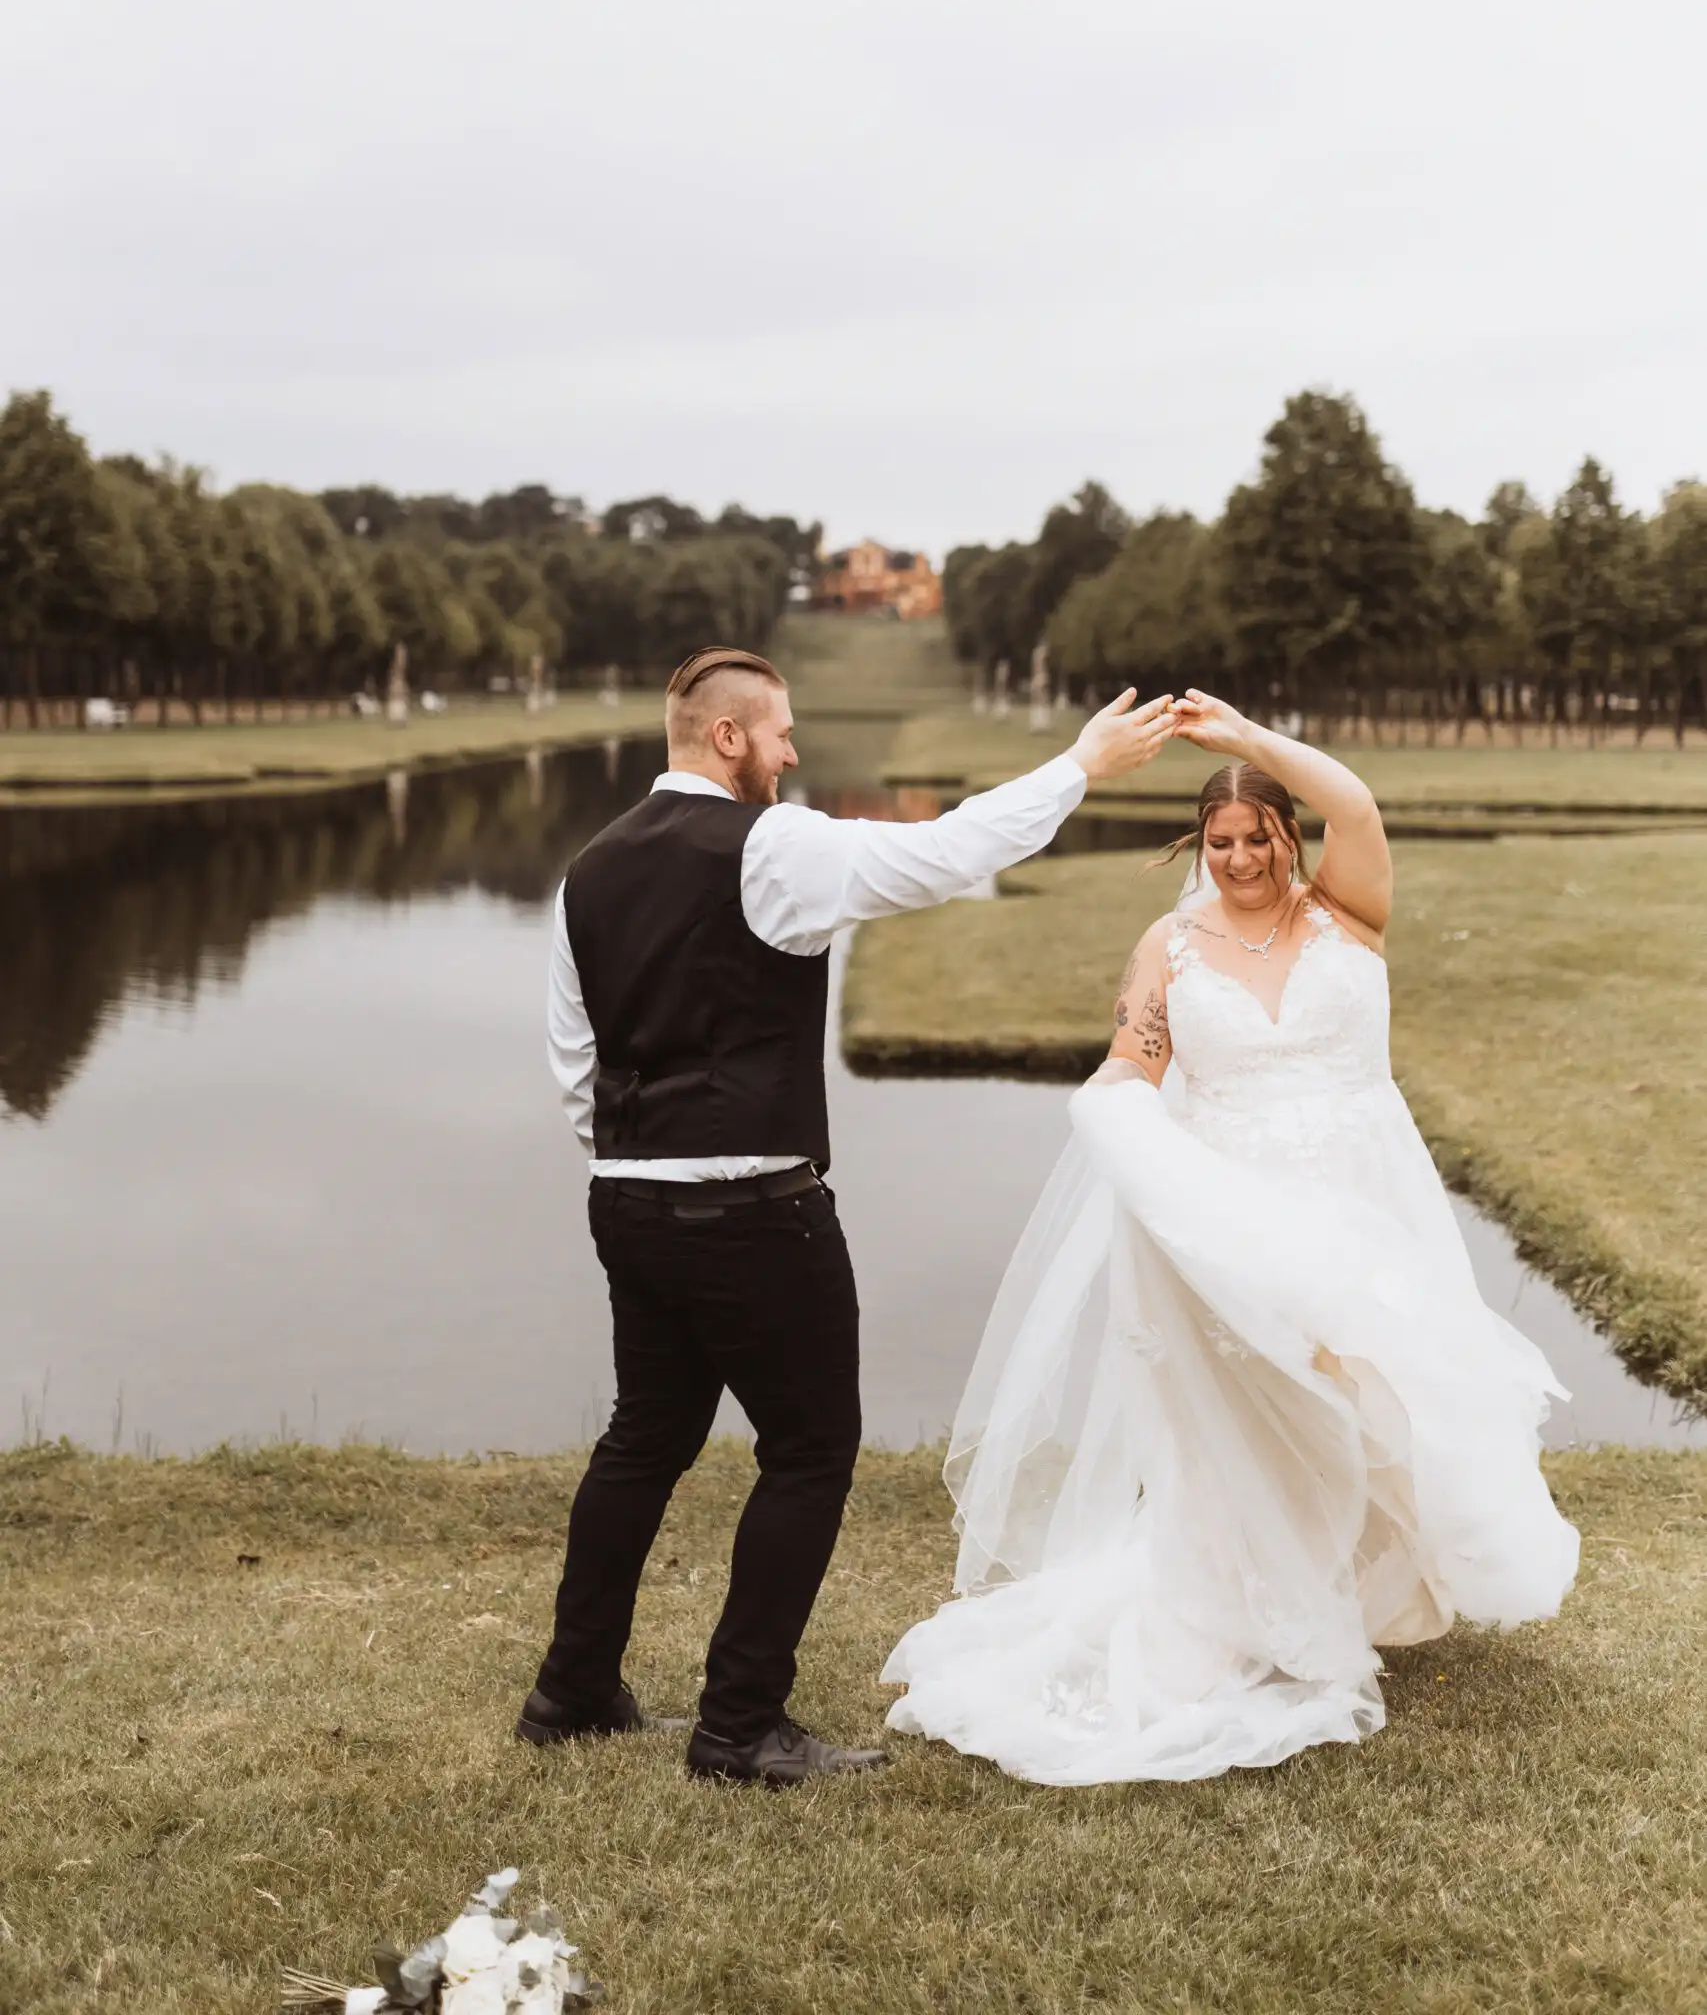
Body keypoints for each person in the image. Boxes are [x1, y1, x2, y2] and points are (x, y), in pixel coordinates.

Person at [883, 689, 1579, 1784]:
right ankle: (1264, 1609)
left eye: (1260, 835)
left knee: (1381, 1394)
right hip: (1226, 1213)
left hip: (1363, 1201)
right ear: (1198, 846)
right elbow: (1133, 1063)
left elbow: (1354, 800)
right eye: (1223, 840)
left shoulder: (1346, 910)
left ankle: (1359, 1587)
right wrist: (1109, 1109)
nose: (1244, 855)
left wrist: (1250, 742)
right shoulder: (1171, 943)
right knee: (1256, 1411)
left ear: (1287, 836)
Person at [516, 644, 1179, 1785]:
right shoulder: (770, 844)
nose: (789, 755)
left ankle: (570, 1691)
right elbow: (944, 852)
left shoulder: (586, 869)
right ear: (726, 737)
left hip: (627, 1202)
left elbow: (575, 1062)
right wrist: (1081, 763)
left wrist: (642, 1162)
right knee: (811, 1449)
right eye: (779, 736)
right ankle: (737, 1725)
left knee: (644, 1438)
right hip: (753, 1211)